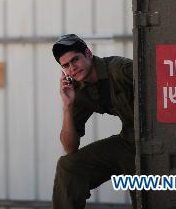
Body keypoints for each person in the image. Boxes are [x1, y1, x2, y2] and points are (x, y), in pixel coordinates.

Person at [51, 33, 136, 209]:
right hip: (129, 142)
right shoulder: (78, 90)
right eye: (66, 66)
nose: (72, 68)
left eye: (75, 60)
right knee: (68, 167)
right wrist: (67, 105)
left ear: (88, 54)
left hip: (154, 140)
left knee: (146, 194)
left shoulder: (120, 69)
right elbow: (70, 147)